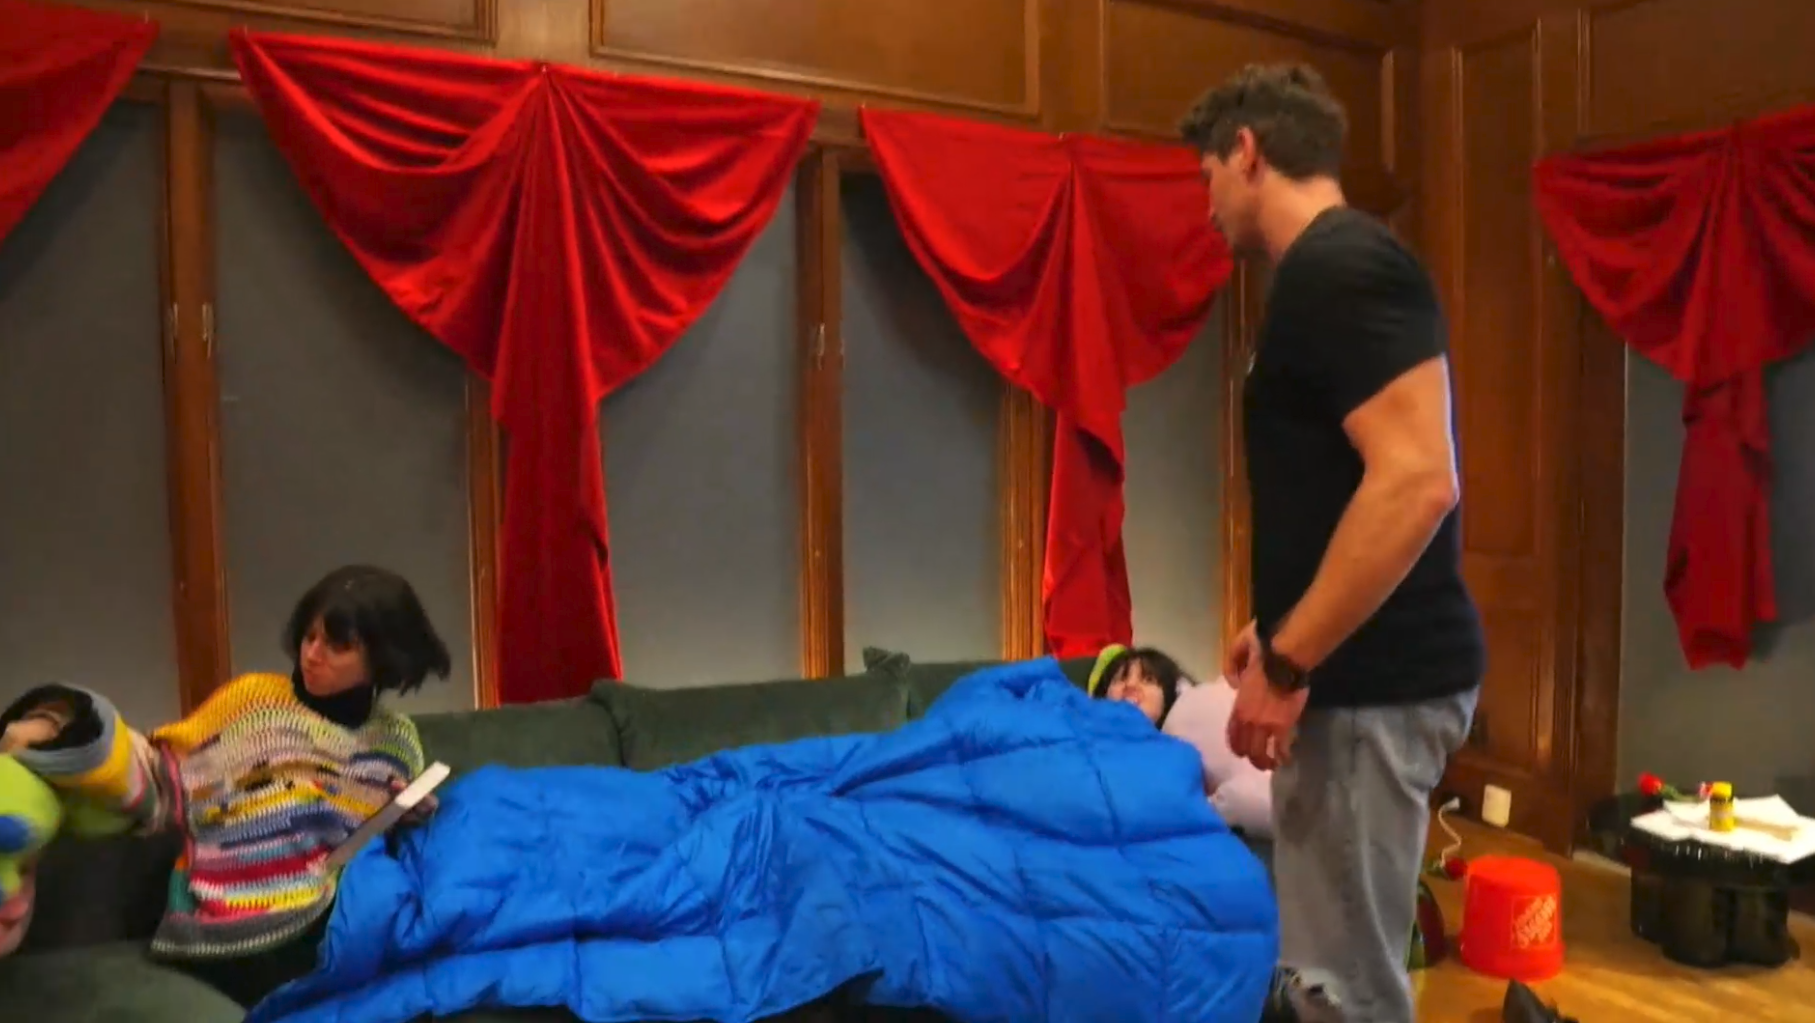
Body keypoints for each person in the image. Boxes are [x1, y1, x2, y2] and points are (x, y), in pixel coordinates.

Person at [1181, 64, 1485, 1022]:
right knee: (1322, 975)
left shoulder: (1341, 268)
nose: (1205, 205)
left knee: (1343, 994)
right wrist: (1275, 619)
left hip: (1371, 690)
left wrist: (1290, 657)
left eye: (1205, 177)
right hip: (1351, 683)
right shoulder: (1321, 275)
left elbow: (1416, 481)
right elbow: (1344, 485)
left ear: (1245, 151)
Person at [0, 564, 452, 1005]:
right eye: (310, 636)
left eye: (338, 645)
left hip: (331, 919)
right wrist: (67, 729)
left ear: (383, 658)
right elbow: (165, 774)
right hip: (233, 928)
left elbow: (370, 847)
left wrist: (404, 816)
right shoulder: (254, 703)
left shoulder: (395, 742)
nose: (313, 654)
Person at [1088, 645, 1272, 838]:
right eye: (1120, 679)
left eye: (1148, 679)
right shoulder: (1088, 743)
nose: (1131, 685)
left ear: (1168, 695)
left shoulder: (1182, 741)